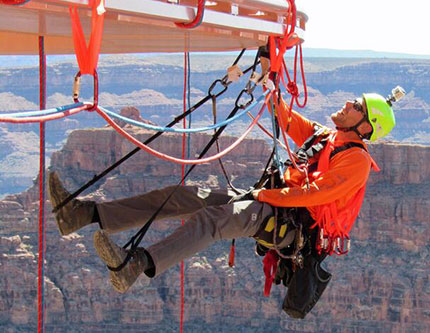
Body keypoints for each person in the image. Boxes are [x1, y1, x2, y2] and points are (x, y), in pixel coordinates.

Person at [48, 87, 402, 317]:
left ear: (366, 126)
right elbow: (290, 121)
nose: (345, 104)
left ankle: (135, 265)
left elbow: (318, 193)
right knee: (183, 196)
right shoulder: (327, 138)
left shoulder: (355, 160)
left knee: (213, 220)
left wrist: (265, 195)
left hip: (290, 224)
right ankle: (83, 214)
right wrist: (271, 82)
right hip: (273, 204)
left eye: (354, 106)